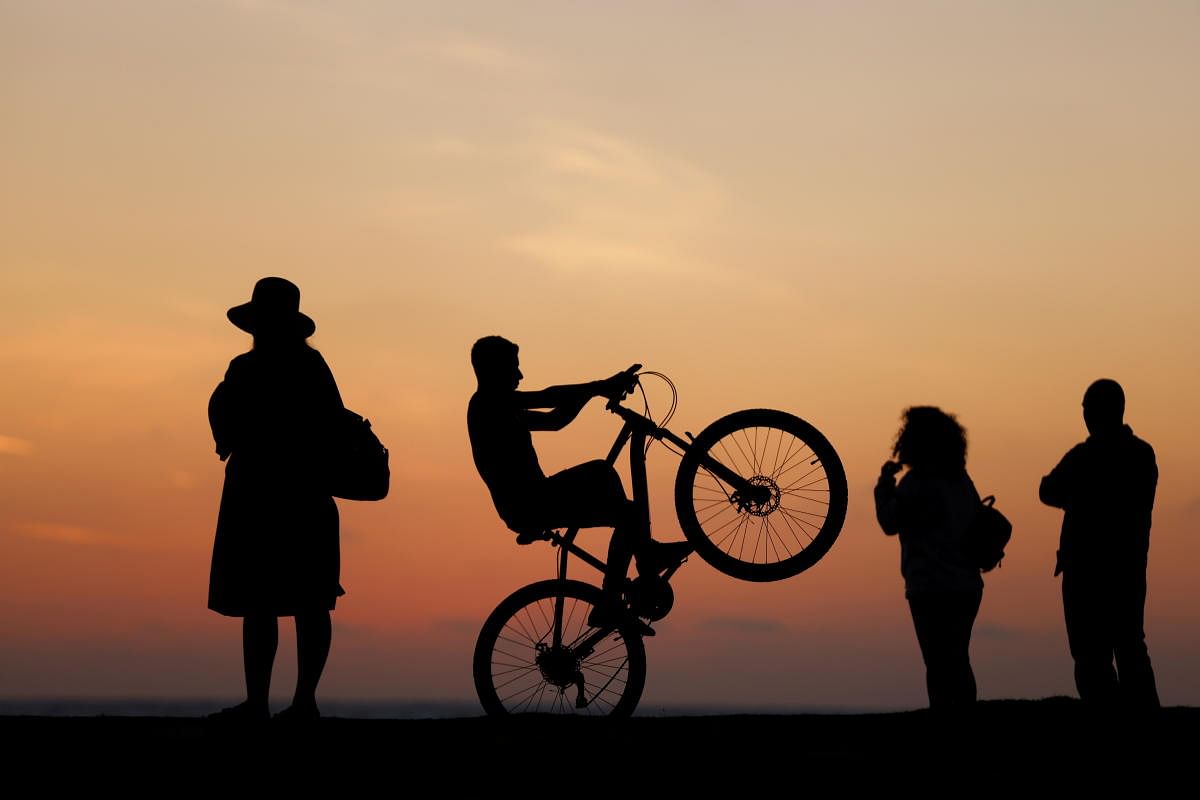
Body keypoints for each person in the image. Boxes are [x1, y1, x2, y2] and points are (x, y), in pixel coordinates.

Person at [467, 336, 692, 630]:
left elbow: (557, 419)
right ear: (493, 370)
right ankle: (614, 596)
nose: (520, 376)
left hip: (531, 501)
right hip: (531, 503)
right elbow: (549, 396)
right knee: (622, 503)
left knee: (610, 486)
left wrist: (596, 392)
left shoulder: (499, 407)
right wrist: (600, 386)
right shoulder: (488, 403)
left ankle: (642, 557)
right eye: (514, 368)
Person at [207, 277, 345, 722]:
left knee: (262, 602)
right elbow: (334, 424)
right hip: (305, 493)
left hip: (258, 492)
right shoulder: (312, 365)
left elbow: (225, 431)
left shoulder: (243, 370)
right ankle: (302, 701)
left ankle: (263, 702)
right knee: (307, 601)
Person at [1039, 378, 1159, 708]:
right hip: (1128, 569)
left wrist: (1078, 498)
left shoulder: (1085, 456)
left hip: (1088, 572)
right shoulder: (1142, 455)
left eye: (1086, 409)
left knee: (1094, 655)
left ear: (1094, 413)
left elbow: (1047, 489)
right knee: (1129, 647)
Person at [874, 406, 984, 710]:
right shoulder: (962, 481)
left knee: (936, 663)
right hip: (966, 584)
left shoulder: (917, 483)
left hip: (929, 586)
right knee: (959, 657)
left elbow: (889, 522)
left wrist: (884, 485)